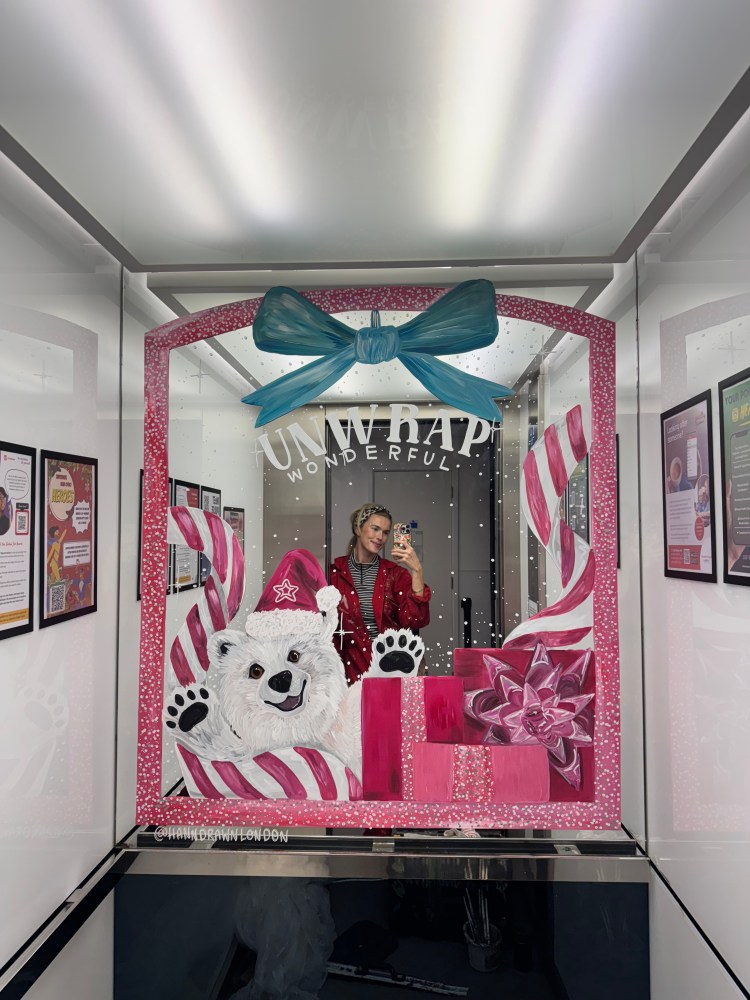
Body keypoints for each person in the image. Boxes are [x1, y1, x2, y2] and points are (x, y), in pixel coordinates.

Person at [330, 503, 431, 684]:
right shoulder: (334, 574)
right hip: (347, 671)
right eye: (375, 529)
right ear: (358, 529)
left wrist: (417, 572)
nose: (380, 537)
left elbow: (415, 620)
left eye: (385, 532)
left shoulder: (395, 574)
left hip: (389, 669)